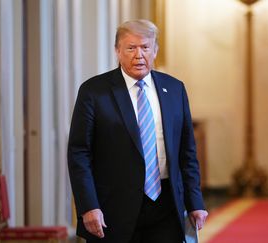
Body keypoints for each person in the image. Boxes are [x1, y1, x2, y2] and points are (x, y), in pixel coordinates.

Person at [67, 19, 208, 243]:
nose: (139, 55)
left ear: (155, 51)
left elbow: (187, 152)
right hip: (112, 209)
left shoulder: (174, 89)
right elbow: (79, 154)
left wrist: (195, 203)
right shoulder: (94, 91)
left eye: (145, 47)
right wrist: (88, 206)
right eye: (131, 48)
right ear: (117, 51)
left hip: (166, 206)